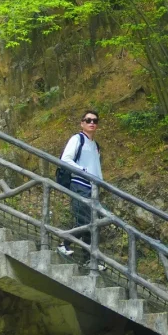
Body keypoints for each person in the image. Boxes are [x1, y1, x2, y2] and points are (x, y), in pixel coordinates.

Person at [58, 110, 103, 259]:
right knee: (85, 220)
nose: (92, 123)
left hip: (93, 188)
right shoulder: (77, 139)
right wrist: (82, 171)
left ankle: (89, 258)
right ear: (82, 123)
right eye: (88, 120)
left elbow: (96, 167)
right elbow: (65, 159)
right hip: (79, 183)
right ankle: (64, 244)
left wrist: (101, 183)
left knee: (93, 222)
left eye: (95, 121)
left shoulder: (95, 145)